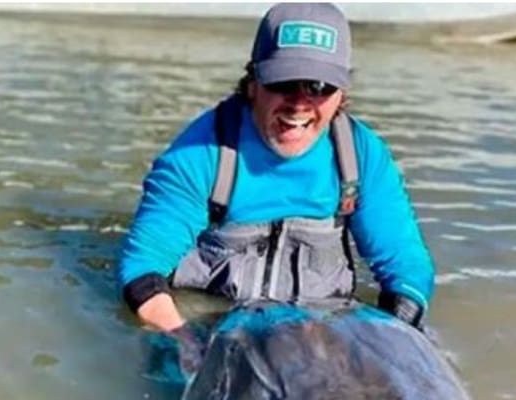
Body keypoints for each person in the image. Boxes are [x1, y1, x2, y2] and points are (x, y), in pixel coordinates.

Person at [117, 2, 435, 354]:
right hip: (211, 326)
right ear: (253, 83)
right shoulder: (199, 153)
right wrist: (186, 349)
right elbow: (143, 269)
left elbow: (406, 267)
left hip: (318, 330)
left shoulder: (363, 157)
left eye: (319, 86)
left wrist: (389, 347)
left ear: (341, 93)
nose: (299, 104)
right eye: (283, 82)